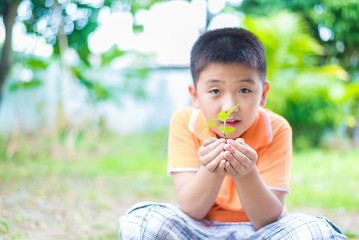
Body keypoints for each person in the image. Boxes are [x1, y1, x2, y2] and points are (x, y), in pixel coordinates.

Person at [118, 28, 348, 239]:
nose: (229, 106)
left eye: (245, 90)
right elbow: (191, 209)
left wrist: (246, 172)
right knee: (142, 221)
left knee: (314, 230)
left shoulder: (276, 128)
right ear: (195, 95)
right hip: (198, 230)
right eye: (215, 90)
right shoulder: (185, 121)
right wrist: (212, 169)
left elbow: (266, 219)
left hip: (260, 233)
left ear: (264, 93)